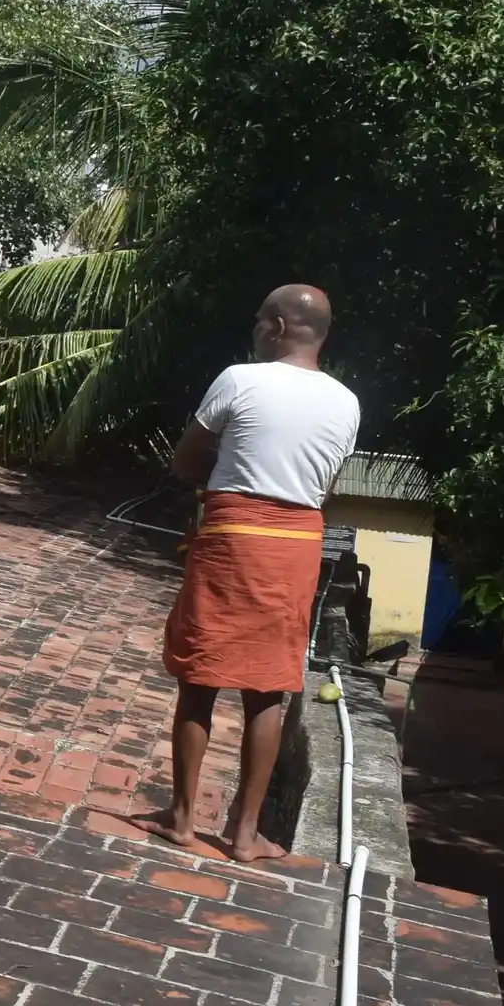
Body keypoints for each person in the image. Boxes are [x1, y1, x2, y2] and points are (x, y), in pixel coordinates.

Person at [151, 285, 359, 862]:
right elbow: (328, 485)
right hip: (296, 546)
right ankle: (244, 836)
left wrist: (223, 469)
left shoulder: (241, 380)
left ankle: (184, 819)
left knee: (200, 678)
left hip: (232, 535)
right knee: (269, 687)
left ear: (276, 326)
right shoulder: (347, 402)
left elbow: (185, 460)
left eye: (258, 319)